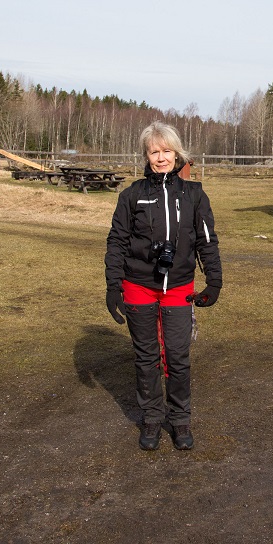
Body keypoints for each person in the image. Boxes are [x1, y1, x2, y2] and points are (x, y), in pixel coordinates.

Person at [104, 121, 223, 450]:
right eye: (154, 152)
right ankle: (152, 418)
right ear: (146, 155)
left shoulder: (194, 195)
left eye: (166, 151)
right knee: (146, 357)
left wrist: (214, 280)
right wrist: (113, 285)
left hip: (179, 286)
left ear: (177, 153)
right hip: (138, 285)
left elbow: (207, 241)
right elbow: (117, 242)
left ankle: (180, 419)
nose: (161, 158)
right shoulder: (132, 196)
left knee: (177, 354)